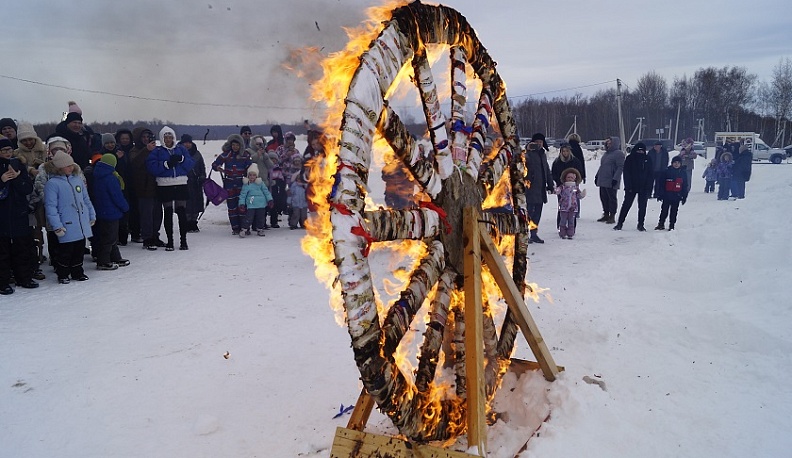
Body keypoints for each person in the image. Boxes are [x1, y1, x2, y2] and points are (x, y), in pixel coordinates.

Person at [43, 151, 95, 284]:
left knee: (79, 250)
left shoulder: (77, 180)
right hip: (66, 223)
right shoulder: (53, 184)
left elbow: (85, 199)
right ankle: (63, 273)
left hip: (80, 223)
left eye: (71, 165)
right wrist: (57, 225)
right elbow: (51, 207)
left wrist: (91, 214)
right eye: (67, 166)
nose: (70, 168)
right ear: (59, 167)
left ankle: (77, 272)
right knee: (65, 252)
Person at [146, 126, 195, 251]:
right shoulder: (157, 151)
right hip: (164, 184)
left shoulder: (181, 149)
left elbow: (190, 164)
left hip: (180, 183)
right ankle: (170, 241)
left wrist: (181, 159)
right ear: (162, 139)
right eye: (165, 137)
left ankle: (183, 241)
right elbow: (152, 167)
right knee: (167, 212)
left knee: (181, 211)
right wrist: (166, 164)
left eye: (170, 137)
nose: (168, 140)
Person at [1, 137, 38, 294]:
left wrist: (16, 179)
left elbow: (28, 188)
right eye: (4, 151)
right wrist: (2, 181)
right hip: (2, 217)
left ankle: (24, 278)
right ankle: (2, 282)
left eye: (10, 150)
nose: (8, 153)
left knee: (22, 249)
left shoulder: (18, 165)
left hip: (19, 214)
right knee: (2, 252)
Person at [13, 123, 48, 270]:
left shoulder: (43, 151)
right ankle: (36, 255)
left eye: (30, 139)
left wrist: (42, 165)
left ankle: (47, 252)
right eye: (24, 140)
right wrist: (28, 169)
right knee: (33, 226)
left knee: (46, 223)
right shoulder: (16, 154)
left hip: (44, 192)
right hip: (27, 195)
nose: (28, 142)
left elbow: (50, 165)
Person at [90, 154, 130, 270]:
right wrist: (125, 207)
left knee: (110, 236)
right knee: (109, 238)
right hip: (111, 211)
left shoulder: (97, 175)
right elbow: (117, 196)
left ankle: (115, 257)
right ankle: (103, 260)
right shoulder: (110, 177)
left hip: (102, 211)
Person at [129, 127, 164, 250]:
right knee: (146, 215)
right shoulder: (134, 150)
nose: (146, 139)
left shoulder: (155, 150)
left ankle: (155, 235)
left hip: (156, 186)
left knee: (158, 214)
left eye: (148, 137)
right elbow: (134, 164)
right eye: (143, 137)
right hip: (143, 188)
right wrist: (146, 150)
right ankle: (147, 238)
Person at [211, 134, 252, 235]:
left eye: (237, 145)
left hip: (241, 184)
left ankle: (244, 227)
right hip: (229, 184)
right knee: (232, 207)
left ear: (240, 145)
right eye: (233, 145)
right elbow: (215, 164)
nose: (235, 147)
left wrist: (250, 176)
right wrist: (218, 168)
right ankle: (235, 228)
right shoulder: (226, 154)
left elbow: (250, 168)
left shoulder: (245, 155)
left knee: (242, 206)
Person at [613, 142, 653, 231]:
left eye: (642, 151)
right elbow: (626, 174)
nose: (640, 153)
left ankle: (641, 224)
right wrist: (628, 186)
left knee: (642, 207)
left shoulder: (647, 159)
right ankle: (620, 223)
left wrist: (649, 188)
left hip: (644, 187)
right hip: (631, 186)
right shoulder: (630, 159)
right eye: (638, 151)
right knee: (626, 205)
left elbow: (651, 175)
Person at [524, 133, 554, 243]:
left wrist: (550, 185)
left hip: (540, 189)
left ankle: (533, 233)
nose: (539, 144)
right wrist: (527, 150)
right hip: (530, 189)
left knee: (537, 213)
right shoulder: (528, 154)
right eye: (536, 142)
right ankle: (525, 234)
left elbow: (546, 170)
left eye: (540, 142)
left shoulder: (542, 154)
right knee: (529, 213)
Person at [178, 134, 206, 232]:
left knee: (196, 202)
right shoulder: (178, 153)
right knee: (186, 203)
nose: (187, 145)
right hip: (183, 182)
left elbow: (202, 167)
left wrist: (202, 177)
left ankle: (194, 222)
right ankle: (186, 222)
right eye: (185, 142)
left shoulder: (197, 154)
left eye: (189, 142)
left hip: (196, 182)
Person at [594, 136, 625, 224]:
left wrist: (615, 178)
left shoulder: (619, 154)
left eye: (610, 143)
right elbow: (602, 166)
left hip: (611, 179)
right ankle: (606, 213)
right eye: (607, 143)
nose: (608, 144)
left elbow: (620, 167)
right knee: (603, 197)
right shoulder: (606, 154)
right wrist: (597, 176)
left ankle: (612, 215)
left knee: (612, 198)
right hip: (603, 178)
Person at [237, 164, 273, 237]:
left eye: (254, 175)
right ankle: (244, 229)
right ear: (248, 176)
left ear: (256, 176)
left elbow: (266, 192)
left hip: (261, 204)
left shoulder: (260, 183)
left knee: (261, 217)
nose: (252, 177)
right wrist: (241, 204)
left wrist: (270, 200)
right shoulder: (247, 185)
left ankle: (260, 229)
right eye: (250, 175)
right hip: (251, 204)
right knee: (249, 218)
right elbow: (243, 195)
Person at [654, 156, 688, 231]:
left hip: (677, 195)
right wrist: (660, 194)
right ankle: (661, 223)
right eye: (675, 163)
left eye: (678, 163)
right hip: (667, 195)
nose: (676, 164)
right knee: (664, 210)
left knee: (674, 211)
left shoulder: (683, 173)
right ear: (672, 163)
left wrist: (684, 196)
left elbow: (685, 185)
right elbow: (661, 183)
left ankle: (672, 225)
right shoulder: (666, 171)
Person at [554, 168, 586, 240]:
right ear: (565, 178)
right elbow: (558, 191)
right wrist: (555, 190)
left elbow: (578, 195)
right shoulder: (563, 186)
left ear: (574, 179)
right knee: (563, 220)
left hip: (573, 207)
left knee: (571, 221)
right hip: (564, 207)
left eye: (571, 178)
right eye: (568, 177)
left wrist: (582, 194)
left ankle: (570, 233)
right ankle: (562, 233)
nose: (570, 179)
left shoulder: (576, 187)